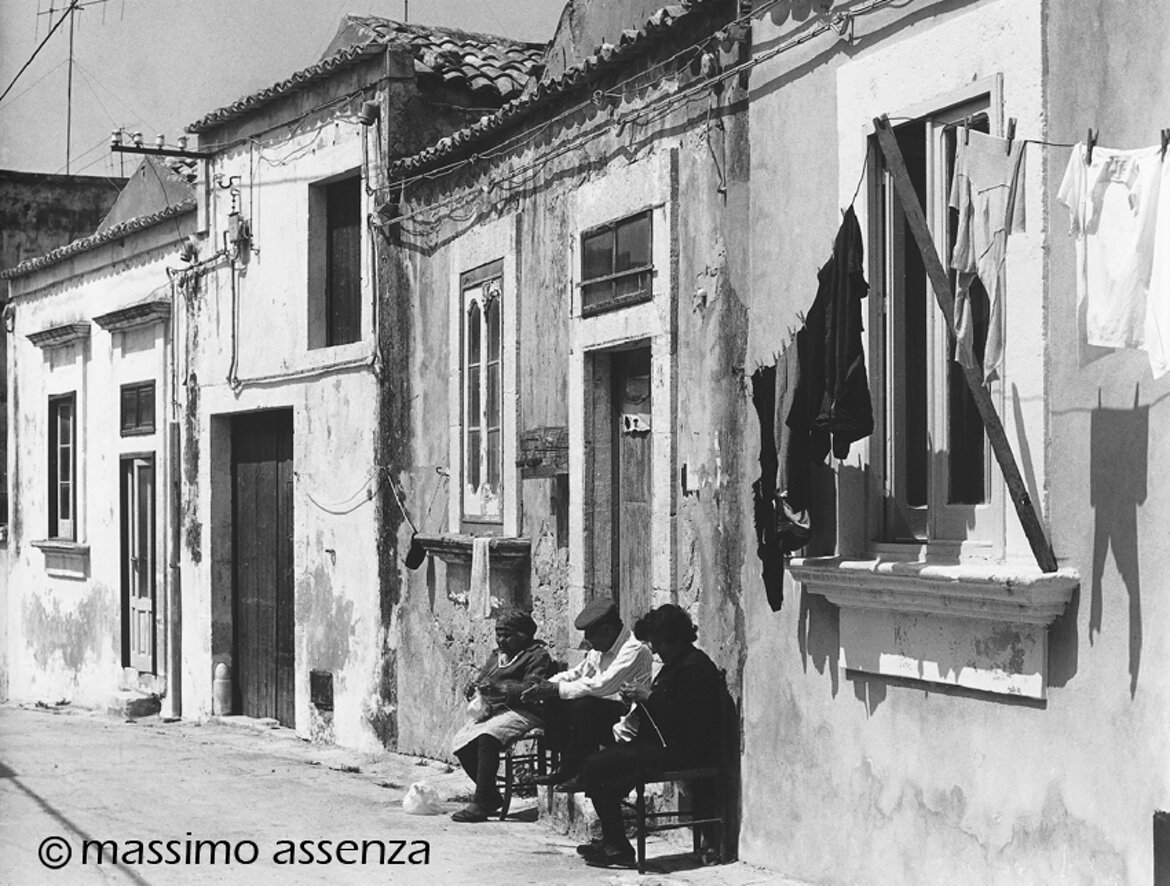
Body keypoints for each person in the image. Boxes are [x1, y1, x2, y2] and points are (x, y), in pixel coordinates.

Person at [576, 604, 722, 868]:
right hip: (663, 745)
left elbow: (689, 722)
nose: (654, 650)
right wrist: (637, 698)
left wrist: (649, 697)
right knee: (597, 768)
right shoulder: (675, 664)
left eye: (659, 643)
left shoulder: (694, 668)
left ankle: (616, 845)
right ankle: (614, 842)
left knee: (597, 767)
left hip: (684, 751)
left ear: (676, 639)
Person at [520, 598, 652, 789]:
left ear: (606, 631)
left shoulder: (634, 649)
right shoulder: (601, 648)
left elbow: (603, 685)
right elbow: (578, 673)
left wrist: (555, 689)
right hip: (602, 712)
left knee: (584, 706)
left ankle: (577, 770)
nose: (588, 643)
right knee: (556, 699)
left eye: (591, 636)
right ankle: (566, 765)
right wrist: (546, 685)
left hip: (628, 718)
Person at [449, 607, 553, 822]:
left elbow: (533, 688)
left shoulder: (536, 655)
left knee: (487, 738)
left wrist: (502, 689)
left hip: (525, 710)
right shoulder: (498, 656)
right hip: (497, 710)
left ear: (524, 635)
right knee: (461, 743)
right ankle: (490, 796)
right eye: (498, 634)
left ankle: (480, 802)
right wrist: (474, 688)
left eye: (507, 635)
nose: (501, 640)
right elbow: (483, 679)